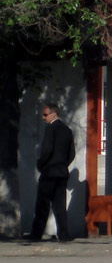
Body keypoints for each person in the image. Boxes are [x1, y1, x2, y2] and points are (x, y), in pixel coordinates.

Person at [26, 103, 75, 243]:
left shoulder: (51, 129)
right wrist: (63, 165)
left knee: (42, 204)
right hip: (62, 173)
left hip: (49, 173)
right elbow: (72, 153)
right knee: (60, 205)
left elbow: (47, 150)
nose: (43, 118)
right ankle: (64, 235)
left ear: (54, 114)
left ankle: (36, 234)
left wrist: (41, 164)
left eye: (45, 115)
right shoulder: (67, 130)